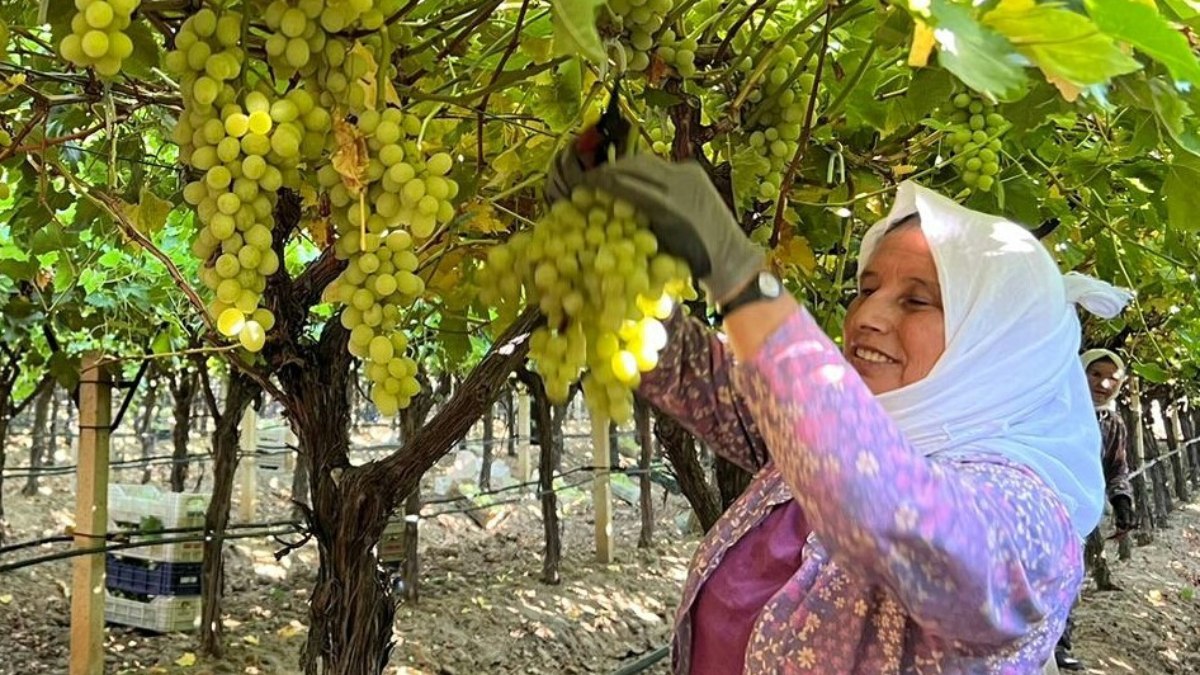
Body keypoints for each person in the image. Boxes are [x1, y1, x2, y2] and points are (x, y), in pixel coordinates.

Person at [547, 150, 1134, 673]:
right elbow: (698, 376)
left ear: (997, 341)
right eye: (867, 287)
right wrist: (598, 272)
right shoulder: (822, 433)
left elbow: (894, 514)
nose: (865, 317)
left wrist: (737, 270)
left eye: (917, 299)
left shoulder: (1030, 522)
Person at [1054, 348, 1136, 671]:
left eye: (1112, 378)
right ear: (1080, 371)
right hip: (1045, 498)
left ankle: (1060, 645)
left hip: (1080, 514)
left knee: (1069, 576)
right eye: (1095, 374)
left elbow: (1117, 468)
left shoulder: (1112, 423)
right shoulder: (1058, 408)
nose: (1103, 383)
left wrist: (1122, 501)